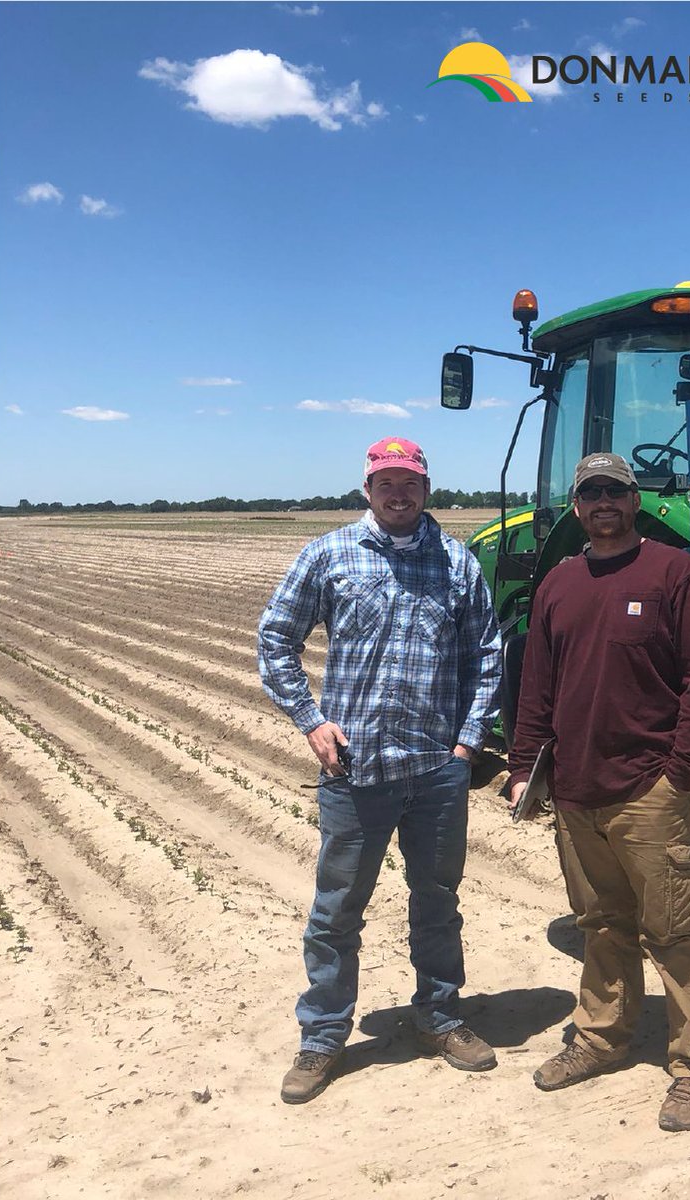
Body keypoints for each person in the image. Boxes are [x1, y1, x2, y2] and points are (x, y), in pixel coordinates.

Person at [258, 436, 501, 1104]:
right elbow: (275, 638)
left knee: (438, 902)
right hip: (355, 770)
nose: (399, 494)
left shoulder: (456, 561)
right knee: (337, 911)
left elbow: (487, 652)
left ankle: (441, 1016)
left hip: (436, 771)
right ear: (367, 489)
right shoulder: (329, 553)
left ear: (428, 489)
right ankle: (324, 1036)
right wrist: (311, 720)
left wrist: (467, 743)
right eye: (386, 483)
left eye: (410, 483)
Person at [508, 452, 690, 1133]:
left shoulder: (675, 574)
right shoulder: (558, 584)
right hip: (576, 789)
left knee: (676, 930)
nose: (603, 502)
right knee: (600, 925)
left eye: (616, 491)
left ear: (635, 502)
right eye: (591, 493)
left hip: (648, 789)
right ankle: (601, 1039)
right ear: (576, 508)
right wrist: (524, 765)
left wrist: (680, 771)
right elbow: (537, 685)